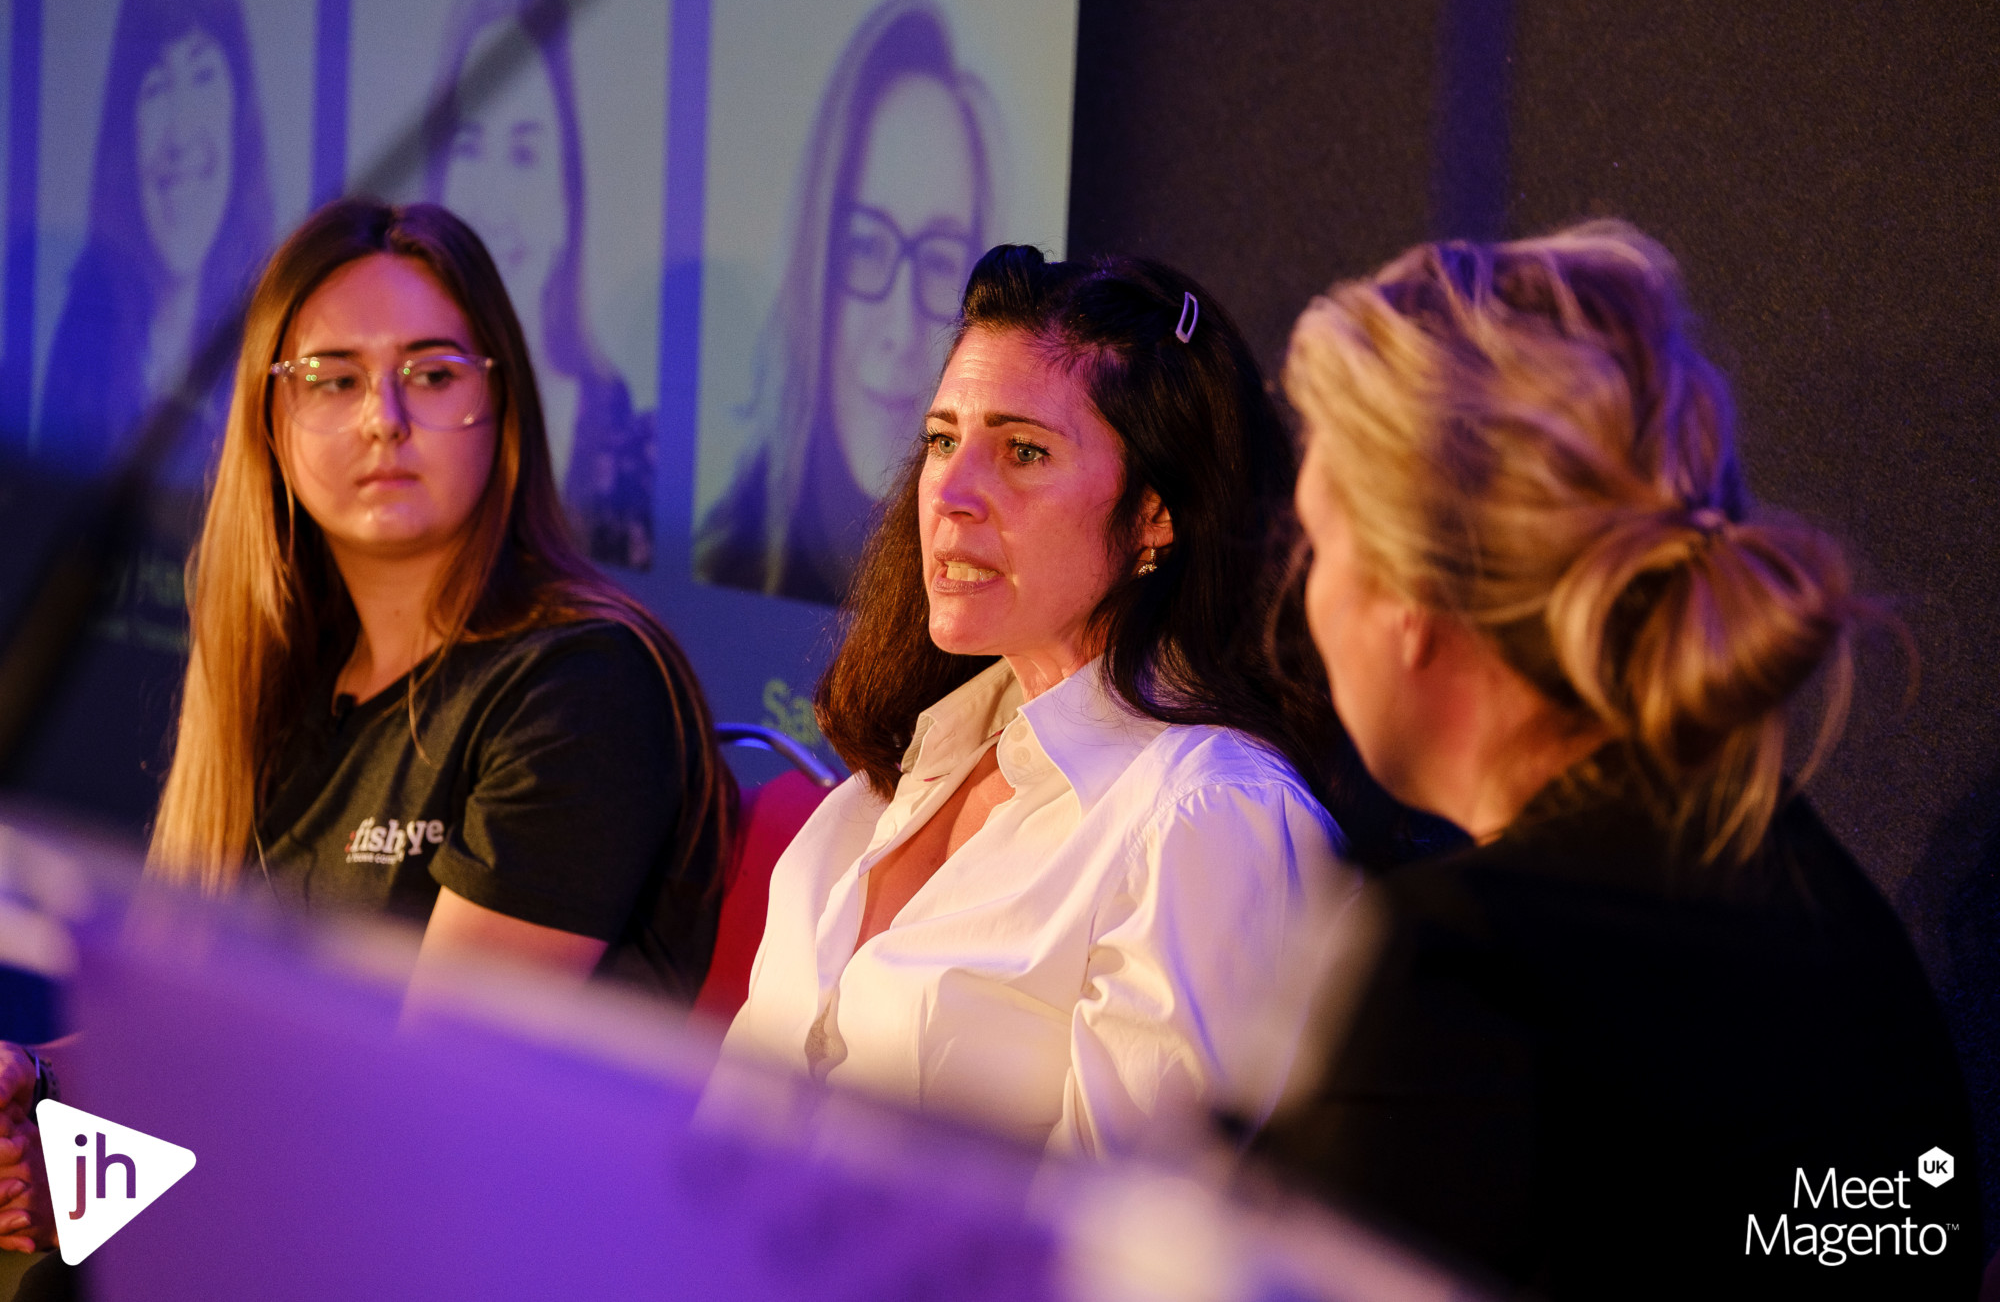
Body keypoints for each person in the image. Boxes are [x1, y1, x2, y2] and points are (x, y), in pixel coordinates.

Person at [1255, 223, 1982, 1297]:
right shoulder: (1833, 916)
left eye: (1318, 545)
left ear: (1412, 596)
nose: (1295, 592)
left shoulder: (1461, 968)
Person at [715, 246, 1356, 1157]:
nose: (951, 493)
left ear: (1155, 514)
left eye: (1023, 451)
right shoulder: (890, 779)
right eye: (943, 440)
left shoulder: (1211, 816)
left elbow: (1122, 1226)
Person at [140, 197, 732, 1005]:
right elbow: (183, 1021)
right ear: (270, 423)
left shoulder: (582, 685)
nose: (383, 420)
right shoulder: (284, 676)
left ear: (502, 402)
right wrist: (38, 1069)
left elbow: (418, 1073)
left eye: (433, 375)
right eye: (334, 380)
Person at [694, 0, 998, 605]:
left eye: (940, 259)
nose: (902, 330)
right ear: (817, 262)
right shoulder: (721, 565)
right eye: (865, 247)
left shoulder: (1003, 605)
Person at [424, 0, 653, 569]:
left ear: (565, 200)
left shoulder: (628, 452)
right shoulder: (385, 417)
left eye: (524, 154)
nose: (493, 199)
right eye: (470, 147)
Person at [39, 0, 272, 480]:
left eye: (204, 76)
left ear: (239, 112)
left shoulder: (282, 327)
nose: (180, 132)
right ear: (125, 131)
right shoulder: (82, 336)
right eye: (157, 87)